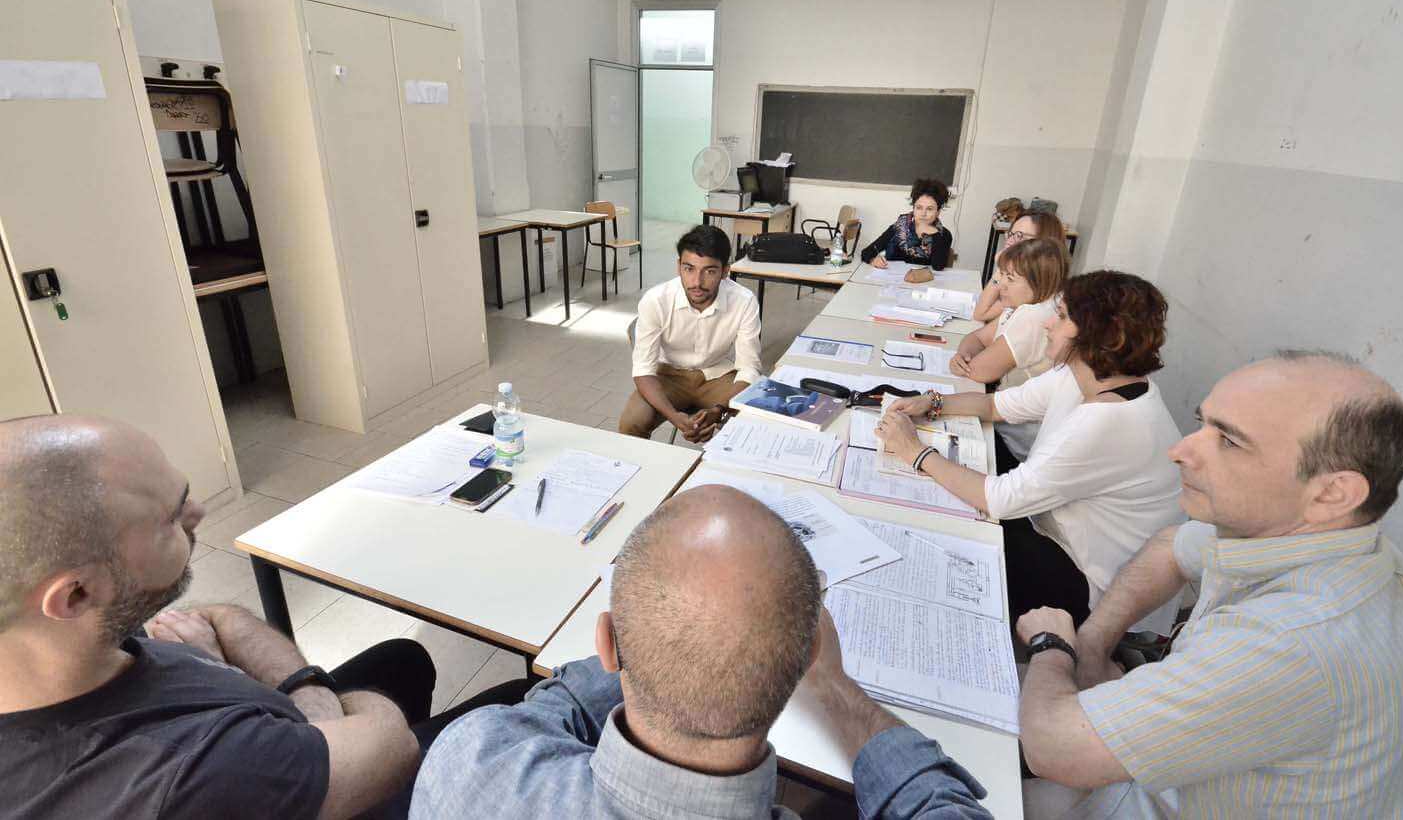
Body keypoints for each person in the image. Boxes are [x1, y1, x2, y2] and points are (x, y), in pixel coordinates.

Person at [0, 415, 528, 819]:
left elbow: (218, 616)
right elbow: (394, 747)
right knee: (522, 700)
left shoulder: (59, 641)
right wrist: (309, 699)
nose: (198, 512)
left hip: (285, 741)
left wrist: (230, 668)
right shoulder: (181, 770)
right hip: (342, 764)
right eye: (171, 517)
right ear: (76, 594)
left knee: (403, 658)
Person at [1014, 351, 1403, 819]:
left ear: (1331, 493)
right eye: (1205, 424)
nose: (1181, 451)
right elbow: (1171, 547)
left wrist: (1053, 645)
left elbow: (1055, 747)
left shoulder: (1293, 644)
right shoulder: (1336, 542)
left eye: (1230, 441)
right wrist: (1094, 645)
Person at [410, 485, 992, 819]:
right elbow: (941, 805)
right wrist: (833, 684)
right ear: (804, 658)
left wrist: (664, 637)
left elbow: (553, 707)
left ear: (606, 645)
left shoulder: (471, 759)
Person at [877, 271, 1183, 632]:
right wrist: (932, 402)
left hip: (1092, 587)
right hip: (1053, 531)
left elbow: (1000, 499)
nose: (1048, 324)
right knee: (954, 498)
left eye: (1063, 317)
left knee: (944, 544)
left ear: (1101, 335)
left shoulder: (1111, 420)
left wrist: (915, 452)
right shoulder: (1084, 373)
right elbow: (995, 405)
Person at [621, 225, 762, 443]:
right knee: (632, 423)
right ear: (679, 267)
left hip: (717, 375)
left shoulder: (744, 301)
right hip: (668, 376)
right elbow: (643, 370)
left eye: (710, 271)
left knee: (756, 420)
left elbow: (749, 368)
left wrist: (719, 410)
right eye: (689, 269)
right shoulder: (656, 300)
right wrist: (675, 417)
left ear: (725, 271)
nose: (697, 282)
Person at [950, 238, 1069, 469]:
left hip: (1013, 445)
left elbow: (978, 372)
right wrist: (963, 355)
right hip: (1001, 420)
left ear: (1039, 281)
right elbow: (977, 337)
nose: (1001, 284)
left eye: (1010, 279)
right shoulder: (1020, 305)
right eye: (1002, 275)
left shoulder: (1033, 316)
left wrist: (966, 363)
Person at [973, 209, 1067, 323]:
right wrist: (1003, 268)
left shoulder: (1029, 287)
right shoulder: (1021, 275)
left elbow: (981, 313)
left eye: (1019, 235)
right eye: (1010, 234)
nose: (1009, 241)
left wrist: (1001, 268)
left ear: (1043, 243)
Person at [859, 178, 954, 271]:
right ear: (913, 208)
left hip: (921, 280)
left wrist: (934, 234)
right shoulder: (899, 227)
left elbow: (938, 267)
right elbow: (866, 253)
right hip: (892, 279)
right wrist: (873, 260)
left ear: (938, 212)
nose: (923, 213)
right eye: (919, 207)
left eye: (929, 209)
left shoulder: (944, 235)